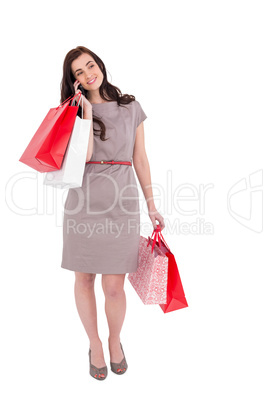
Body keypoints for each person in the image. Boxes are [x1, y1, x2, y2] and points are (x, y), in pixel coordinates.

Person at [60, 46, 165, 380]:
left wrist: (151, 206)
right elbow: (86, 154)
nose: (88, 73)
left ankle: (115, 340)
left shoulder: (130, 107)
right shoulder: (74, 112)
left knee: (115, 287)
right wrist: (86, 111)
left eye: (90, 65)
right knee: (84, 278)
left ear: (99, 65)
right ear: (73, 80)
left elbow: (141, 159)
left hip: (122, 203)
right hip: (83, 202)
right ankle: (94, 344)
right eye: (79, 72)